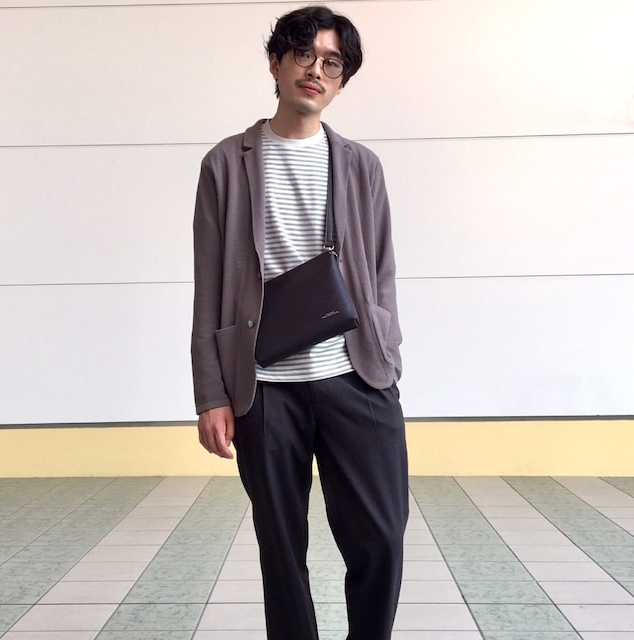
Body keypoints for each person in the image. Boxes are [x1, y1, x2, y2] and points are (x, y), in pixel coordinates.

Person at [191, 6, 408, 639]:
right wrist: (210, 394)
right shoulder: (226, 163)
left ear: (342, 81)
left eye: (332, 63)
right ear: (276, 63)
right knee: (282, 550)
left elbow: (382, 269)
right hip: (265, 387)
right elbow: (209, 286)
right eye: (304, 55)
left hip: (356, 376)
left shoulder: (361, 165)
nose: (316, 70)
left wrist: (386, 349)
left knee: (381, 537)